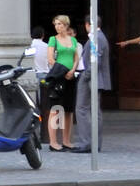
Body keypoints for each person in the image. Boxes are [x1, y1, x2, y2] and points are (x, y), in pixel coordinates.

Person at [70, 15, 111, 153]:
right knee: (94, 111)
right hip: (94, 78)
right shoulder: (99, 37)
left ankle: (86, 142)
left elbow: (95, 61)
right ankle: (94, 143)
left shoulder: (97, 38)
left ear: (88, 24)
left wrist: (84, 76)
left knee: (82, 109)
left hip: (90, 78)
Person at [46, 14, 79, 150]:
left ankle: (66, 140)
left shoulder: (73, 40)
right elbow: (50, 59)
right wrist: (64, 71)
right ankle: (53, 142)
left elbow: (76, 57)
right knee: (55, 109)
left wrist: (73, 70)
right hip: (59, 76)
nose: (57, 27)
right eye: (55, 24)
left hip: (71, 76)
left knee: (68, 110)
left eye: (60, 24)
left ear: (66, 25)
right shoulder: (53, 39)